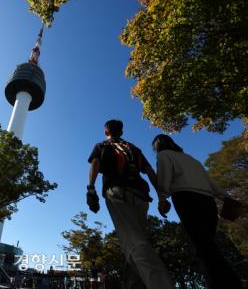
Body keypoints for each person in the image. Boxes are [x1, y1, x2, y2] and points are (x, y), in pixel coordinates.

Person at [87, 120, 173, 289]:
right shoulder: (134, 148)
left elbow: (95, 163)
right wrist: (162, 197)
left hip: (117, 193)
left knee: (136, 243)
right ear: (122, 131)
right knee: (134, 243)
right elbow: (149, 172)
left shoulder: (102, 145)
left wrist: (91, 188)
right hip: (141, 197)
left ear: (106, 132)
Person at [152, 134, 242, 289]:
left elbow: (165, 177)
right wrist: (225, 196)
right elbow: (210, 182)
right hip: (208, 202)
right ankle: (231, 282)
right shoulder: (191, 159)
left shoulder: (163, 155)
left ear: (157, 146)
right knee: (209, 245)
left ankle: (224, 284)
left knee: (203, 248)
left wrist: (162, 199)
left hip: (186, 199)